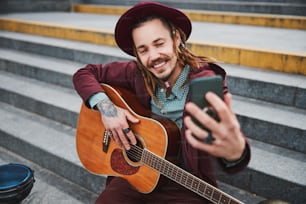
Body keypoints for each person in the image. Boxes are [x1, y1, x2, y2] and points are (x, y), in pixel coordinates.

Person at [73, 2, 250, 203]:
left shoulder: (205, 83)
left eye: (159, 44)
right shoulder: (136, 73)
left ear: (176, 38)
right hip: (136, 176)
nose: (154, 57)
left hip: (184, 183)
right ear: (137, 54)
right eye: (143, 50)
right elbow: (84, 73)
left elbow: (221, 140)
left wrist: (235, 154)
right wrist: (107, 109)